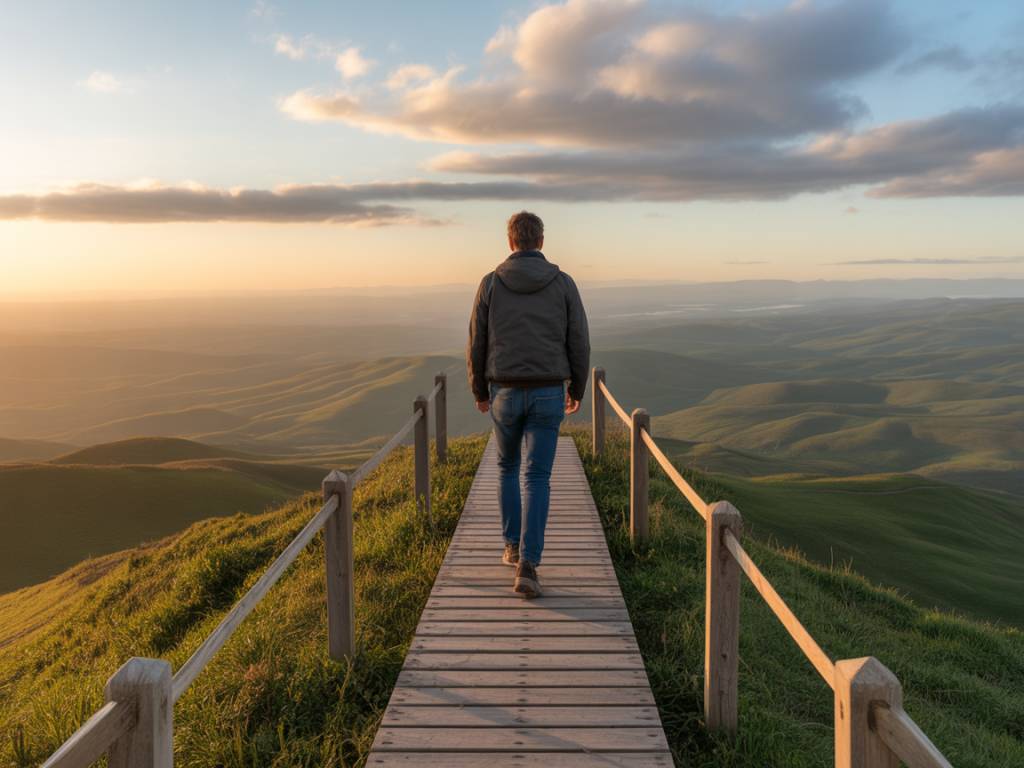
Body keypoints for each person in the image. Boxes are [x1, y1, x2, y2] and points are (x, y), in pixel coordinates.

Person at [467, 211, 591, 598]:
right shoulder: (563, 283)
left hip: (504, 390)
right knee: (537, 477)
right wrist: (578, 388)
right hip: (549, 390)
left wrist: (479, 391)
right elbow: (579, 339)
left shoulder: (490, 284)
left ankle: (511, 546)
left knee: (506, 468)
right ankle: (529, 564)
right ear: (539, 241)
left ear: (510, 242)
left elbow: (476, 341)